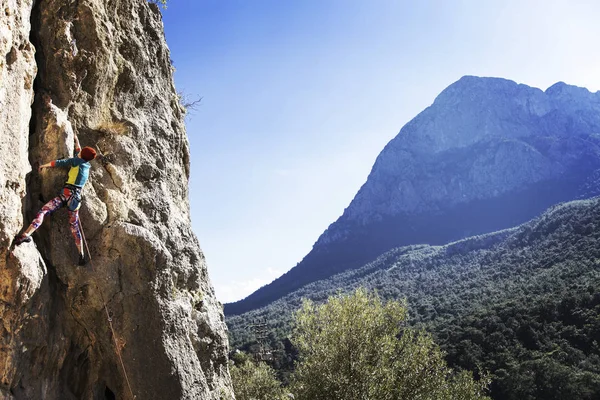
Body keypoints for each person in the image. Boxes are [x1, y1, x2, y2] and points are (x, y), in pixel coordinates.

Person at [15, 131, 97, 266]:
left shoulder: (76, 161)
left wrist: (43, 166)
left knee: (44, 211)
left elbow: (60, 163)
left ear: (82, 156)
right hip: (76, 199)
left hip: (65, 194)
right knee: (74, 226)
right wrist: (76, 140)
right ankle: (81, 254)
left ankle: (25, 235)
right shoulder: (86, 165)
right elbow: (81, 152)